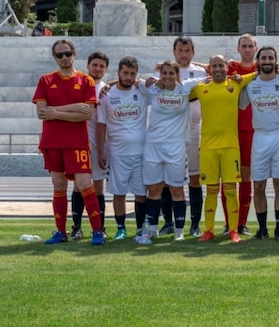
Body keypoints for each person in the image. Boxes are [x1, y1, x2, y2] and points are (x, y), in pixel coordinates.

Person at [32, 39, 105, 245]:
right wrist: (73, 107)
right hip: (52, 141)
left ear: (74, 54)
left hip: (77, 141)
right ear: (55, 57)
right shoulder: (46, 80)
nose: (64, 58)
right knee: (59, 184)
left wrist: (56, 111)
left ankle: (98, 231)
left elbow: (87, 114)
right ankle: (61, 232)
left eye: (68, 53)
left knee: (84, 184)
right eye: (60, 55)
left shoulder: (86, 81)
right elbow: (41, 113)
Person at [134, 61, 207, 244]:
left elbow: (213, 77)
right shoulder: (152, 87)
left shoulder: (186, 87)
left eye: (171, 73)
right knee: (155, 188)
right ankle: (152, 230)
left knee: (176, 188)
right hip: (153, 145)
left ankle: (179, 230)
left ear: (177, 75)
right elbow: (131, 80)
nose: (167, 77)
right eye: (164, 73)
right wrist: (106, 87)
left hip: (176, 146)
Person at [190, 55, 256, 243]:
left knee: (230, 190)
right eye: (214, 66)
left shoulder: (236, 83)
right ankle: (208, 230)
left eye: (221, 65)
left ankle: (233, 230)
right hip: (208, 148)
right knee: (211, 190)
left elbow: (259, 73)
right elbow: (178, 90)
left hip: (230, 147)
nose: (218, 69)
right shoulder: (200, 89)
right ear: (209, 68)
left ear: (227, 68)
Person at [96, 56, 149, 241]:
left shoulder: (142, 90)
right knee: (119, 194)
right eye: (125, 73)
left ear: (136, 75)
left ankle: (140, 228)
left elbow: (162, 85)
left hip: (141, 153)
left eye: (132, 74)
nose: (128, 77)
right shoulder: (107, 94)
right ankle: (121, 228)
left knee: (141, 194)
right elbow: (101, 125)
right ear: (118, 71)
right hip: (117, 153)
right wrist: (101, 151)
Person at [244, 46, 279, 240]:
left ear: (276, 61)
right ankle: (262, 228)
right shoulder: (250, 85)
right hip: (260, 137)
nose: (267, 61)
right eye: (263, 58)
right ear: (258, 61)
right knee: (259, 186)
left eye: (270, 58)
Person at [70, 51, 109, 240]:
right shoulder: (79, 85)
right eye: (95, 65)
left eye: (102, 66)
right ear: (88, 66)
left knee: (98, 187)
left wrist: (101, 149)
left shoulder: (107, 90)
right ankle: (76, 227)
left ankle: (100, 227)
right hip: (79, 143)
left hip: (99, 144)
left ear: (106, 69)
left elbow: (103, 123)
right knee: (79, 186)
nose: (98, 69)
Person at [226, 33, 259, 235]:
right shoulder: (230, 68)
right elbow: (207, 69)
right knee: (229, 179)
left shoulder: (263, 68)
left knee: (246, 177)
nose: (247, 49)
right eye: (244, 46)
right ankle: (229, 223)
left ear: (256, 49)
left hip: (253, 131)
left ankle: (242, 223)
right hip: (231, 130)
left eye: (250, 46)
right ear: (238, 49)